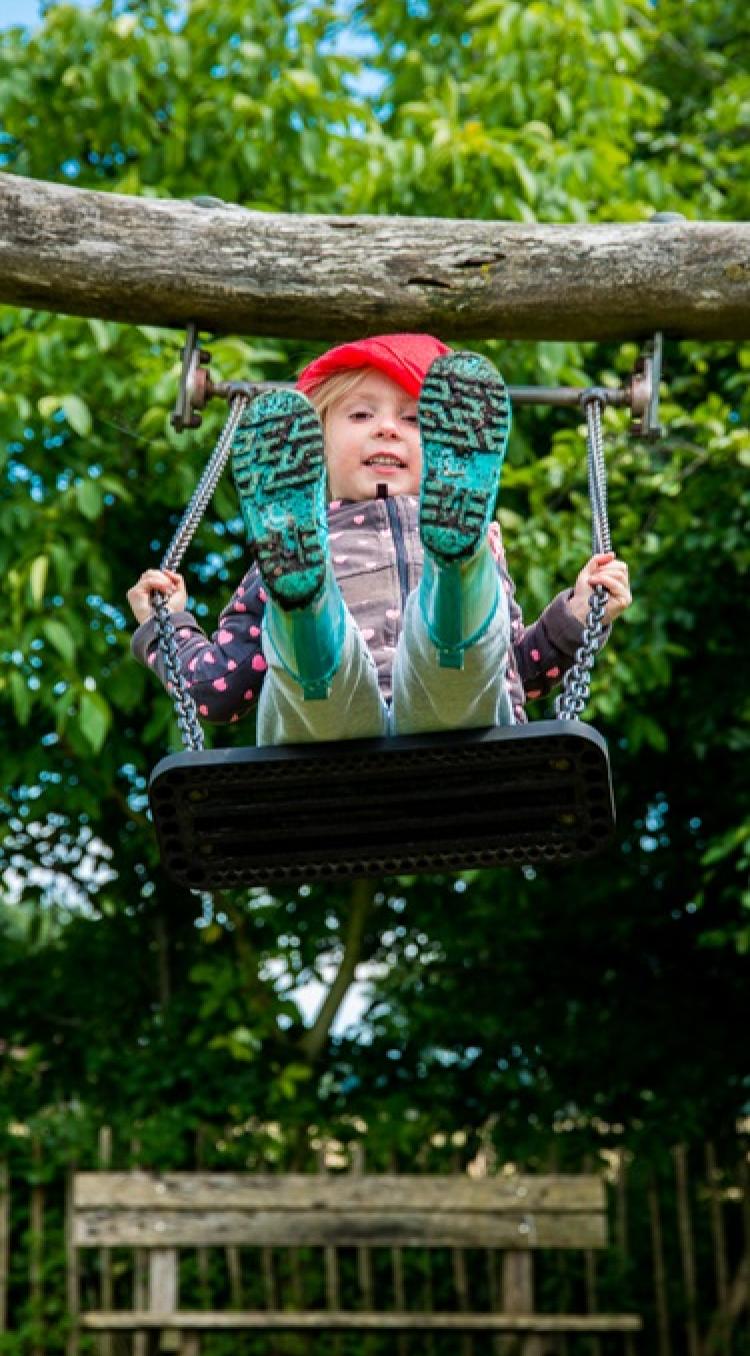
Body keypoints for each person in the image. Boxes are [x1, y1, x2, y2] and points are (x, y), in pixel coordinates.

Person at [128, 334, 631, 744]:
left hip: (460, 727)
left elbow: (516, 668)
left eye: (413, 419)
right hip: (326, 738)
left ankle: (454, 566)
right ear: (317, 444)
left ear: (442, 451)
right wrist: (165, 625)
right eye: (361, 414)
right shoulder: (277, 561)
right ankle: (305, 603)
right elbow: (219, 691)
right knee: (314, 653)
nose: (388, 429)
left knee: (464, 649)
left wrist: (579, 612)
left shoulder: (481, 546)